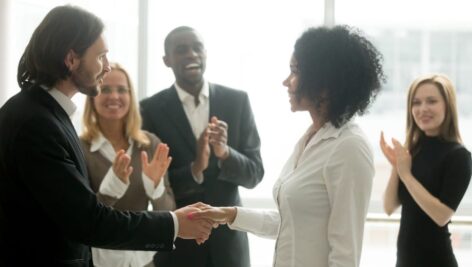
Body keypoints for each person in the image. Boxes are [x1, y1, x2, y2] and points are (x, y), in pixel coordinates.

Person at [0, 5, 213, 266]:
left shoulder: (46, 114)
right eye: (101, 56)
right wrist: (175, 224)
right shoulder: (37, 123)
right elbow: (87, 221)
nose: (106, 66)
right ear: (71, 59)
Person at [191, 25, 385, 267]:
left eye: (294, 72)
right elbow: (289, 224)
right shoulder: (309, 139)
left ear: (324, 83)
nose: (286, 82)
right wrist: (229, 214)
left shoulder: (349, 147)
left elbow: (346, 253)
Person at [140, 26, 264, 267]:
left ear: (206, 53)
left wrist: (225, 153)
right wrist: (195, 168)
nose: (192, 54)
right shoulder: (149, 110)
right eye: (181, 50)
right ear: (167, 60)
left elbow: (254, 175)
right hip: (177, 248)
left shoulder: (237, 101)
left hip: (229, 247)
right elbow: (153, 185)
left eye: (197, 48)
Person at [80, 62, 177, 267]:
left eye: (122, 89)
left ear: (131, 97)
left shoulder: (150, 145)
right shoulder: (80, 148)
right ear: (92, 96)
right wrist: (110, 190)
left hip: (143, 260)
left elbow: (168, 211)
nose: (114, 96)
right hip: (99, 261)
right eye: (105, 89)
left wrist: (155, 187)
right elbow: (81, 219)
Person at [381, 74, 472, 267]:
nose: (423, 109)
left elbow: (441, 216)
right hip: (404, 261)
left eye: (431, 101)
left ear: (447, 106)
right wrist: (397, 167)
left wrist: (406, 174)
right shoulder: (413, 150)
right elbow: (389, 207)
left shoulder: (459, 156)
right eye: (416, 102)